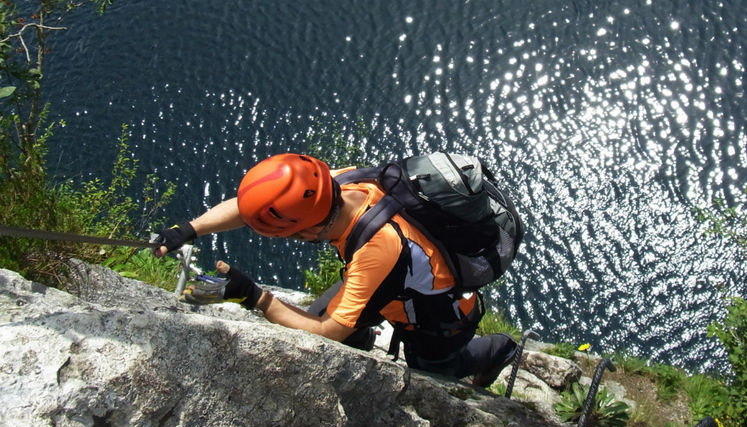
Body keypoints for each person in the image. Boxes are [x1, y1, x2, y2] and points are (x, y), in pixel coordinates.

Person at [154, 153, 519, 387]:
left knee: (434, 370)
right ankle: (363, 337)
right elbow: (255, 206)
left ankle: (502, 349)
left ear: (312, 229)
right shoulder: (338, 183)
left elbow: (328, 332)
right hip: (392, 283)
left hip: (432, 315)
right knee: (312, 317)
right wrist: (190, 229)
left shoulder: (377, 249)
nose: (292, 239)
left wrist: (256, 297)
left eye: (291, 234)